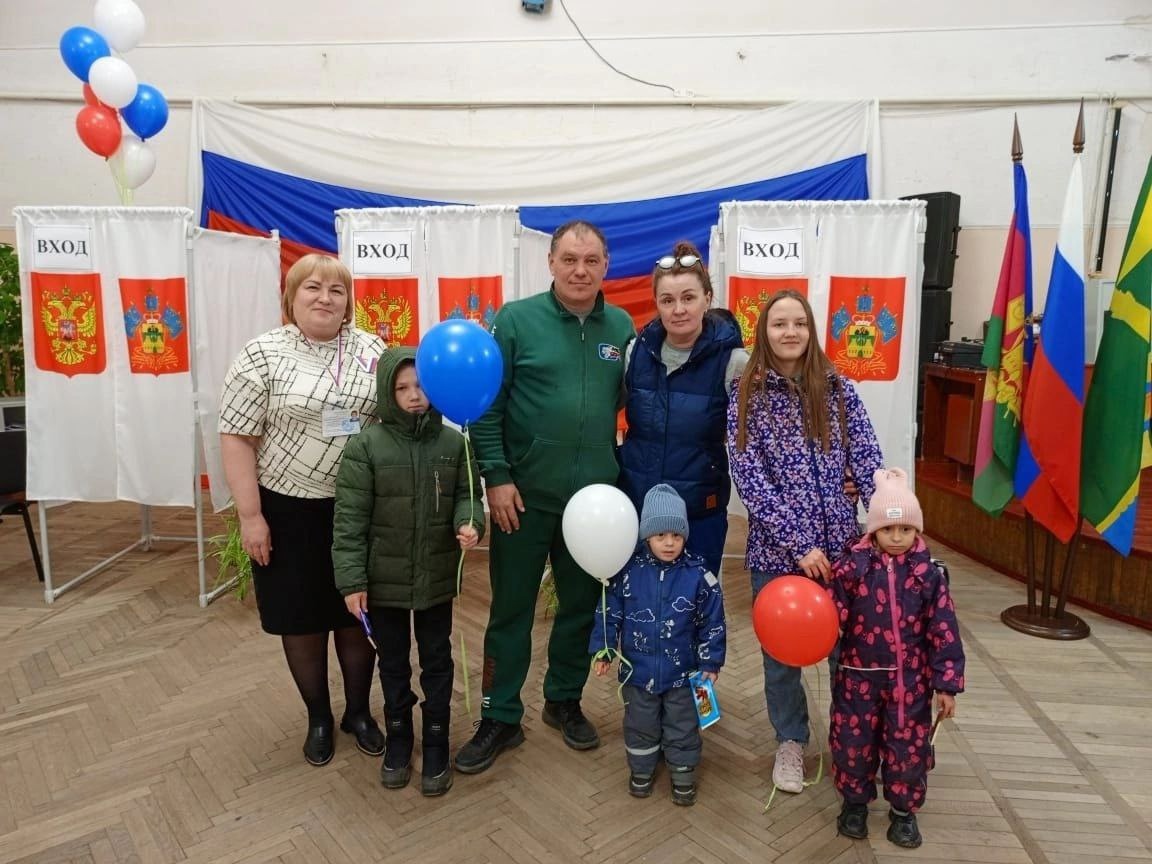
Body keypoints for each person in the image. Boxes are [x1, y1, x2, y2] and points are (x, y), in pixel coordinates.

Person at [455, 220, 635, 774]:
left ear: (605, 266)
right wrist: (496, 476)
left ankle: (563, 700)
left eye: (591, 260)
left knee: (579, 608)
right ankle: (499, 715)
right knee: (510, 610)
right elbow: (486, 404)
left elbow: (626, 402)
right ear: (551, 263)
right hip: (523, 498)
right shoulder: (515, 320)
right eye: (570, 260)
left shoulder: (622, 327)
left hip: (594, 505)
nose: (580, 270)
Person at [219, 253, 386, 767]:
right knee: (301, 618)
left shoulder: (373, 351)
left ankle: (359, 712)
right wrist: (251, 517)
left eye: (337, 290)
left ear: (348, 302)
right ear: (291, 298)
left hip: (360, 511)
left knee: (357, 616)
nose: (325, 298)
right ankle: (319, 717)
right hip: (286, 511)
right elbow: (236, 436)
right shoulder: (262, 354)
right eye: (312, 287)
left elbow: (398, 418)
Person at [727, 289, 883, 795]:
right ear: (764, 332)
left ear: (811, 330)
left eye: (799, 323)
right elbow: (751, 480)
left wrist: (886, 514)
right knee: (782, 661)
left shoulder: (839, 390)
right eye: (779, 324)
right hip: (778, 556)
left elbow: (867, 457)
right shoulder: (746, 396)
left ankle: (848, 741)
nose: (790, 332)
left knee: (847, 654)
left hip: (841, 552)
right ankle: (790, 742)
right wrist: (799, 544)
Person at [332, 347, 485, 796]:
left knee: (437, 659)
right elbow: (349, 521)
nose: (414, 395)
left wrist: (469, 521)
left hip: (436, 576)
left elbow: (468, 494)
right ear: (387, 393)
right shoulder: (366, 446)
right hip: (384, 582)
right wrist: (352, 581)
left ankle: (436, 741)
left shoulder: (454, 444)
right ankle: (399, 738)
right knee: (393, 662)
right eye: (402, 388)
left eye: (421, 385)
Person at [828, 468, 965, 848]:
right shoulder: (852, 568)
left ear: (916, 530)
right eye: (888, 529)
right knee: (851, 743)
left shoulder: (928, 576)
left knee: (908, 749)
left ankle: (904, 812)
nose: (897, 537)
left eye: (905, 529)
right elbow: (830, 613)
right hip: (858, 679)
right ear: (873, 530)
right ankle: (854, 804)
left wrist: (947, 685)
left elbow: (944, 630)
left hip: (910, 684)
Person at [591, 484, 726, 806]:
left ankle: (683, 772)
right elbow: (609, 612)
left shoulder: (699, 575)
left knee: (683, 724)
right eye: (660, 535)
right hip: (637, 673)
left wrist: (710, 662)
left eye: (676, 535)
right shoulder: (628, 572)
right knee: (640, 723)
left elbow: (713, 622)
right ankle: (641, 769)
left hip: (684, 674)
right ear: (646, 536)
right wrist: (604, 649)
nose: (669, 542)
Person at [618, 241, 747, 577]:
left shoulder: (734, 363)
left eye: (688, 298)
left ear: (707, 298)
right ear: (657, 304)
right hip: (639, 509)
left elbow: (764, 437)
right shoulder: (635, 353)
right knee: (639, 601)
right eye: (667, 300)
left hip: (700, 514)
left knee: (697, 602)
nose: (678, 309)